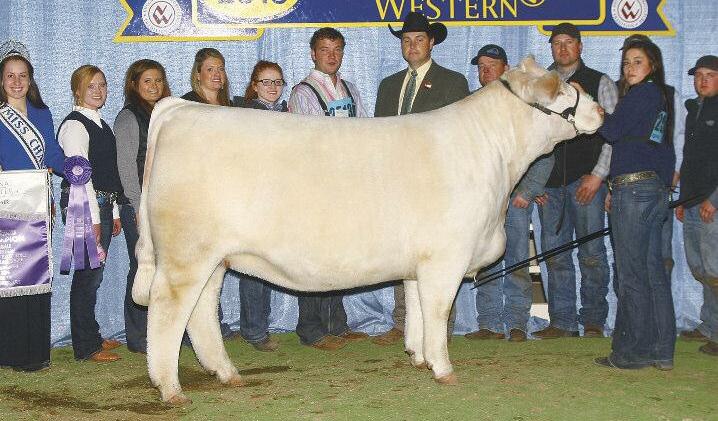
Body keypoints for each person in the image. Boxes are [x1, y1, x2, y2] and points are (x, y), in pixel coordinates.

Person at [372, 11, 469, 346]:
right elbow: (378, 138)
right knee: (400, 252)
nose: (412, 45)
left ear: (431, 43)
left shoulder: (453, 82)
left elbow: (459, 137)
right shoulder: (388, 86)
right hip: (395, 184)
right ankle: (404, 323)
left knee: (438, 255)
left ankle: (440, 327)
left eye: (418, 39)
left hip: (436, 186)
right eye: (406, 40)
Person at [594, 37, 676, 370]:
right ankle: (661, 349)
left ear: (652, 65)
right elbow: (665, 149)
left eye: (637, 61)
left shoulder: (641, 94)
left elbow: (612, 131)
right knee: (652, 271)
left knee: (631, 272)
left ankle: (632, 351)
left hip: (633, 189)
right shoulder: (662, 96)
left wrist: (595, 111)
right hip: (653, 188)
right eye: (626, 62)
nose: (629, 68)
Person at [463, 44, 554, 342]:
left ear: (506, 69)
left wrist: (529, 189)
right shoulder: (470, 106)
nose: (486, 71)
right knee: (485, 259)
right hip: (483, 200)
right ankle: (489, 322)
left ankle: (516, 322)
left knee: (516, 259)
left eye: (492, 65)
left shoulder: (523, 105)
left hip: (515, 198)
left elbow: (545, 149)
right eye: (481, 67)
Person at [288, 27, 370, 350]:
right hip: (316, 184)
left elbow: (365, 130)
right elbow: (303, 142)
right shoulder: (303, 92)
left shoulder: (350, 89)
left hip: (346, 183)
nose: (331, 56)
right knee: (312, 256)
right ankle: (310, 328)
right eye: (324, 49)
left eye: (337, 50)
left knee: (339, 254)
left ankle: (337, 324)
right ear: (313, 54)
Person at [534, 23, 617, 339]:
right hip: (550, 183)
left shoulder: (599, 81)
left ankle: (593, 319)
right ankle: (562, 321)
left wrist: (598, 176)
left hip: (586, 181)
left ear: (580, 46)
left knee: (592, 253)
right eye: (557, 43)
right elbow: (531, 135)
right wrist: (534, 181)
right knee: (555, 255)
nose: (562, 48)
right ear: (551, 48)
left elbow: (614, 132)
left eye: (568, 42)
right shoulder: (542, 84)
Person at [0, 40, 65, 372]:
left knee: (37, 276)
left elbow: (51, 153)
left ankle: (35, 352)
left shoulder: (42, 113)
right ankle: (9, 352)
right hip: (6, 205)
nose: (16, 82)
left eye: (22, 75)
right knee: (9, 278)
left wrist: (74, 166)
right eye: (10, 76)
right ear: (1, 80)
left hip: (39, 205)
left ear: (31, 79)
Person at [58, 65, 124, 363]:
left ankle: (92, 334)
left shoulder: (100, 123)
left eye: (102, 85)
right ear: (77, 90)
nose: (98, 91)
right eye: (90, 86)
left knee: (93, 276)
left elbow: (107, 172)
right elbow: (80, 177)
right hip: (83, 203)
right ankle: (85, 346)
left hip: (101, 202)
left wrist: (114, 210)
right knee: (87, 276)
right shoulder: (75, 126)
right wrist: (94, 219)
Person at [114, 59, 171, 354]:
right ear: (134, 85)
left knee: (161, 268)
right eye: (147, 81)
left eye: (158, 80)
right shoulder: (128, 117)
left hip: (162, 205)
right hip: (139, 205)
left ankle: (159, 330)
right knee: (141, 267)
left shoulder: (164, 114)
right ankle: (137, 337)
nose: (154, 86)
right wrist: (138, 207)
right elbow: (126, 167)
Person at [230, 60, 287, 352]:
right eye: (266, 82)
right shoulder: (245, 115)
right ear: (254, 86)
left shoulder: (287, 114)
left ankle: (259, 325)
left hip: (279, 198)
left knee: (268, 262)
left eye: (277, 81)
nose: (273, 87)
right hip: (253, 199)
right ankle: (253, 330)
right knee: (253, 264)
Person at [181, 48, 235, 339]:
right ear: (198, 74)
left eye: (221, 69)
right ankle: (192, 329)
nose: (217, 74)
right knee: (197, 263)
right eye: (211, 69)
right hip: (198, 194)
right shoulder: (187, 106)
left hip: (227, 195)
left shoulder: (231, 107)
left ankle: (212, 324)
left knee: (217, 264)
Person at [675, 55, 718, 356]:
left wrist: (713, 200)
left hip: (711, 203)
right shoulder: (693, 111)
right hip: (692, 201)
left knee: (715, 268)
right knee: (701, 268)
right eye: (698, 75)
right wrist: (684, 199)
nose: (702, 80)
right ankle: (709, 324)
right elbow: (689, 159)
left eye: (710, 75)